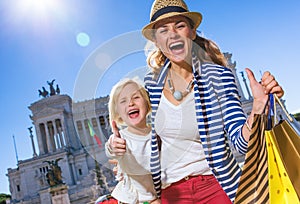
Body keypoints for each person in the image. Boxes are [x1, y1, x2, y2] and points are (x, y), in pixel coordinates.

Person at [110, 0, 285, 203]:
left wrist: (257, 109)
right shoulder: (152, 84)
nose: (172, 34)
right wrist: (119, 146)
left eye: (180, 26)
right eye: (163, 30)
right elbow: (141, 132)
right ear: (157, 41)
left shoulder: (218, 77)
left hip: (215, 186)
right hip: (171, 192)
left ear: (192, 33)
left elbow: (241, 143)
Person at [105, 78, 161, 204]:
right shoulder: (121, 138)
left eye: (136, 97)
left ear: (147, 104)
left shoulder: (158, 134)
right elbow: (111, 149)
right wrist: (113, 145)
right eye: (123, 101)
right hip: (130, 199)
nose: (130, 103)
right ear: (117, 113)